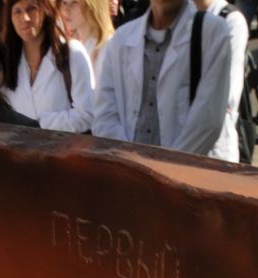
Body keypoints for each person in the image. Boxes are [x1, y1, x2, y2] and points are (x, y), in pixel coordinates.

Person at [92, 0, 248, 161]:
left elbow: (208, 120)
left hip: (192, 172)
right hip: (131, 174)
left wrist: (165, 169)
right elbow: (105, 115)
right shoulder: (121, 39)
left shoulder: (213, 32)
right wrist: (131, 162)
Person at [0, 0, 95, 130]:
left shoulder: (72, 53)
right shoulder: (5, 60)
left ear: (45, 10)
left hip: (64, 148)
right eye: (18, 11)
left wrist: (40, 124)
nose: (25, 18)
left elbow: (87, 114)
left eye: (31, 9)